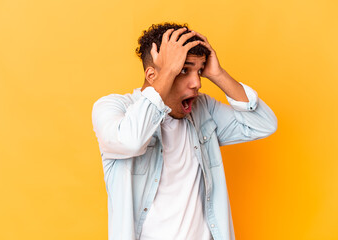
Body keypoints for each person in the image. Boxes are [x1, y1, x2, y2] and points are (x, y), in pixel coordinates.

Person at [92, 22, 277, 240]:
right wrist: (168, 72)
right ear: (152, 75)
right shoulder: (114, 109)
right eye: (183, 70)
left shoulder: (202, 110)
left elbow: (264, 124)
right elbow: (131, 141)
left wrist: (218, 74)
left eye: (199, 71)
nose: (197, 83)